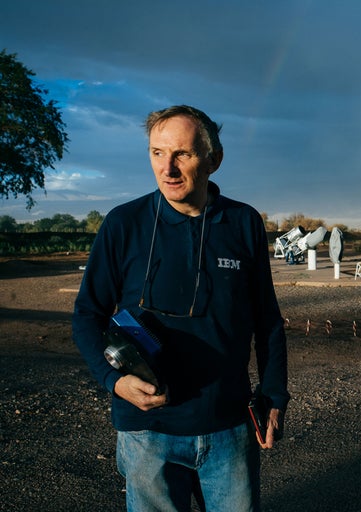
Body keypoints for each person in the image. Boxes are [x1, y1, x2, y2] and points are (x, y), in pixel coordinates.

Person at [72, 105, 289, 511]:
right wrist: (113, 381)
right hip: (147, 431)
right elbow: (88, 315)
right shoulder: (124, 224)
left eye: (182, 154)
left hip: (228, 425)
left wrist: (274, 394)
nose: (167, 168)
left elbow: (267, 319)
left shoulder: (242, 224)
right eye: (157, 153)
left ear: (214, 160)